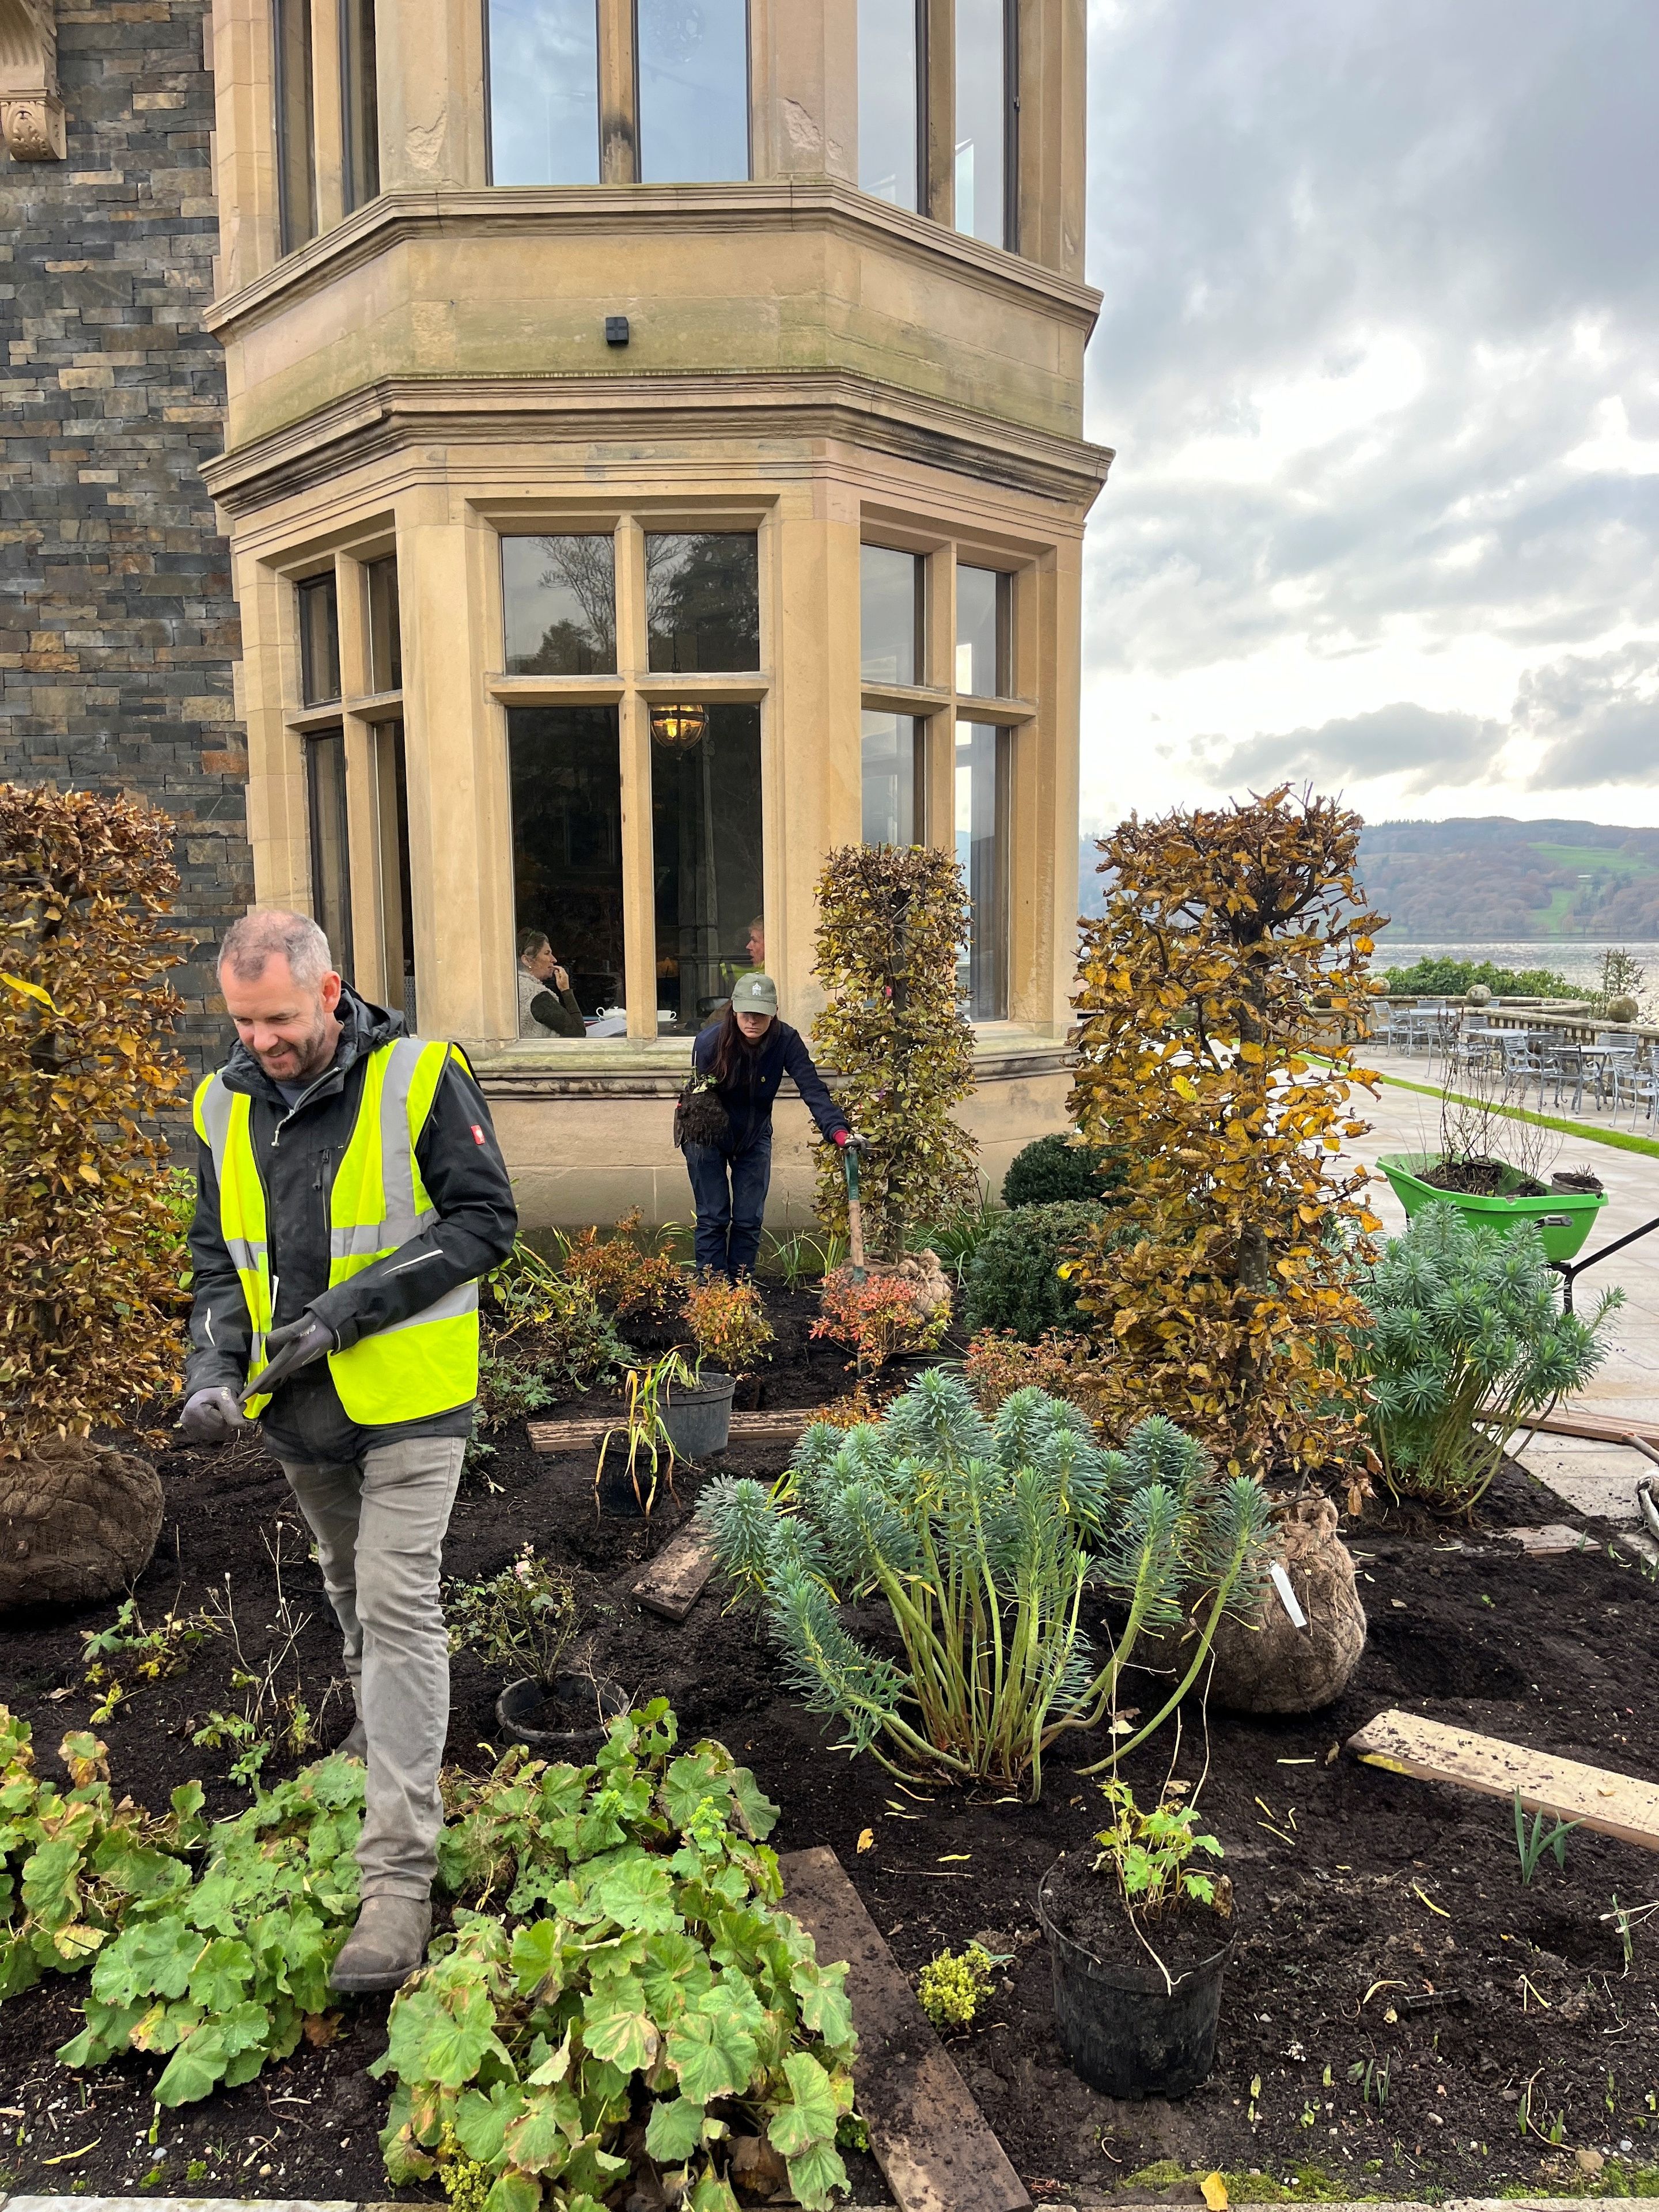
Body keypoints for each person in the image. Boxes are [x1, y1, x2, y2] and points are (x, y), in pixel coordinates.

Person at [179, 911, 517, 1993]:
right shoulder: (221, 1102)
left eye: (278, 1020)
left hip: (411, 1400)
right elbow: (216, 1257)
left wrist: (348, 1310)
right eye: (242, 1022)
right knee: (352, 1602)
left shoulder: (422, 1074)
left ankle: (398, 1885)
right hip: (297, 1413)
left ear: (329, 994)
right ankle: (394, 1770)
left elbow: (484, 1223)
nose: (261, 1043)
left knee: (396, 1597)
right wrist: (212, 1370)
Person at [680, 970, 858, 1280]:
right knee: (713, 1217)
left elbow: (812, 1088)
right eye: (747, 1013)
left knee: (749, 1219)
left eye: (761, 1014)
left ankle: (741, 1290)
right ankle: (712, 1291)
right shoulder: (709, 1042)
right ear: (734, 1008)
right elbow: (700, 1102)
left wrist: (838, 1131)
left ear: (774, 1012)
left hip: (754, 1135)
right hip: (705, 1133)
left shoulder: (786, 1040)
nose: (753, 1021)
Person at [516, 927, 585, 1037]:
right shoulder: (537, 996)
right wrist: (566, 990)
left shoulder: (514, 987)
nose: (554, 960)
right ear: (527, 960)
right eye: (547, 953)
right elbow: (578, 1033)